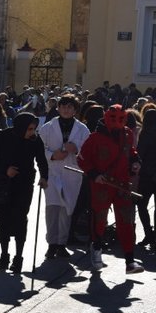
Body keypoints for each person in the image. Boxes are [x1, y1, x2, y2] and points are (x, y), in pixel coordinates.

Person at [77, 105, 144, 273]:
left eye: (121, 119)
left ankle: (129, 261)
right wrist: (94, 174)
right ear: (107, 118)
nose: (117, 123)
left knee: (126, 221)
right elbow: (82, 158)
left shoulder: (128, 134)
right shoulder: (95, 137)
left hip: (122, 185)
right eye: (114, 119)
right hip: (101, 185)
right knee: (99, 219)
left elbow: (132, 152)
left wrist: (135, 163)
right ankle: (97, 249)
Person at [0, 113, 48, 273]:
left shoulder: (35, 140)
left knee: (20, 219)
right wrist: (5, 170)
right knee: (2, 220)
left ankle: (18, 257)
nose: (32, 132)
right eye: (29, 129)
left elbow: (41, 160)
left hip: (24, 185)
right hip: (3, 184)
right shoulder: (3, 136)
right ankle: (4, 255)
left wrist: (44, 177)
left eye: (34, 129)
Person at [39, 94, 90, 260]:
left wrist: (76, 149)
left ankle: (62, 244)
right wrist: (52, 156)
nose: (66, 110)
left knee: (66, 210)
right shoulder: (47, 128)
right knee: (52, 209)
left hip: (71, 174)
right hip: (52, 173)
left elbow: (88, 152)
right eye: (63, 106)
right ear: (58, 108)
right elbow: (40, 150)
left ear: (75, 110)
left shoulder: (82, 129)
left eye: (70, 107)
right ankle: (51, 244)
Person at [135, 104, 156, 251]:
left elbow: (140, 154)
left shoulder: (145, 133)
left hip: (147, 176)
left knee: (142, 206)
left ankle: (149, 233)